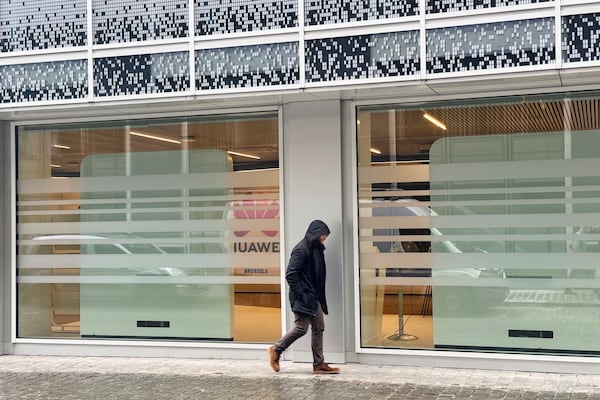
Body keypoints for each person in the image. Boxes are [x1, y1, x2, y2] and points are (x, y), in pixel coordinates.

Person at [268, 219, 340, 374]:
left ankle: (319, 364)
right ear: (315, 233)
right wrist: (303, 294)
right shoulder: (301, 249)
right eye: (322, 234)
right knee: (301, 328)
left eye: (325, 235)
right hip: (303, 296)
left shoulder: (316, 249)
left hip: (313, 296)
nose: (324, 238)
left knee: (319, 327)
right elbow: (291, 274)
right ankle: (276, 349)